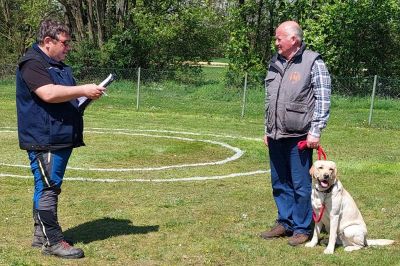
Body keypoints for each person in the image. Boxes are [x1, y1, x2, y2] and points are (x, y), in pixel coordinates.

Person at [16, 19, 106, 259]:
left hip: (61, 135)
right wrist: (83, 89)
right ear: (48, 41)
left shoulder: (60, 67)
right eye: (65, 43)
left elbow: (66, 98)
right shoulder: (32, 63)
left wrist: (85, 97)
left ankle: (41, 236)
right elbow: (48, 93)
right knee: (48, 188)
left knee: (45, 186)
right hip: (44, 138)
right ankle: (53, 242)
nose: (68, 48)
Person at [260, 21, 331, 246]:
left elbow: (323, 98)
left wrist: (316, 130)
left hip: (300, 136)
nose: (276, 42)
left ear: (294, 40)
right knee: (280, 182)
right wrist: (267, 129)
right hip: (276, 135)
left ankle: (302, 228)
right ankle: (285, 222)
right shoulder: (275, 62)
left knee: (300, 184)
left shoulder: (313, 62)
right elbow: (270, 99)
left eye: (279, 38)